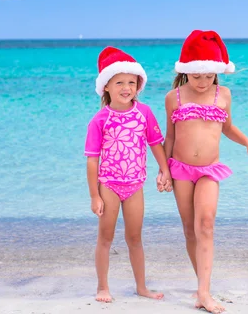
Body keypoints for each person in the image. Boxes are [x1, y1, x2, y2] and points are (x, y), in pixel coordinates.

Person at [160, 30, 248, 313]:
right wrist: (164, 171)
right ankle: (201, 287)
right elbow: (169, 138)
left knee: (205, 223)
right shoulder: (174, 97)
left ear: (217, 73)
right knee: (189, 230)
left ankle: (204, 293)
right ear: (186, 72)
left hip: (209, 170)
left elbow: (228, 128)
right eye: (197, 76)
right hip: (180, 169)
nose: (204, 81)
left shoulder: (224, 94)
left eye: (209, 76)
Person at [84, 46, 172, 303]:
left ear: (138, 85)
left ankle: (141, 286)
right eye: (119, 82)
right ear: (106, 87)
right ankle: (102, 287)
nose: (126, 88)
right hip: (108, 185)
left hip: (135, 185)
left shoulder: (144, 113)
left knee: (135, 237)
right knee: (105, 237)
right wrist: (94, 196)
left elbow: (156, 143)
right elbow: (92, 160)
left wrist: (164, 170)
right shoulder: (100, 120)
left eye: (131, 82)